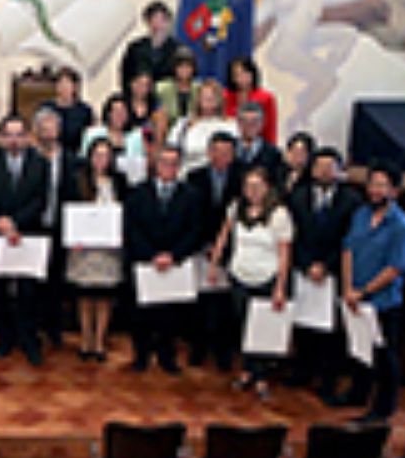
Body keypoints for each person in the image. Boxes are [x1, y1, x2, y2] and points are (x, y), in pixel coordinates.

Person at [208, 167, 294, 401]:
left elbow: (284, 253)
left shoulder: (279, 214)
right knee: (244, 325)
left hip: (266, 276)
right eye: (248, 187)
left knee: (263, 329)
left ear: (267, 187)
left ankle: (261, 375)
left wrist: (280, 287)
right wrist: (214, 264)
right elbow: (223, 236)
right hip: (240, 274)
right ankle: (247, 369)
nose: (252, 192)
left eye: (257, 186)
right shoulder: (236, 208)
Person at [341, 160, 405, 422]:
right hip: (354, 297)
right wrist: (348, 287)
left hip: (382, 301)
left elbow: (395, 268)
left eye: (382, 186)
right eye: (372, 184)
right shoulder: (360, 215)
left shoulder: (401, 225)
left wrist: (364, 291)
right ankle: (357, 393)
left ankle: (383, 408)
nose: (375, 190)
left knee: (384, 356)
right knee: (358, 349)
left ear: (394, 191)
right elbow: (348, 249)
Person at [287, 146, 361, 401]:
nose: (323, 172)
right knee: (303, 325)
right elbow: (292, 235)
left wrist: (326, 266)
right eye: (319, 166)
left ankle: (328, 378)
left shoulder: (351, 201)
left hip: (333, 273)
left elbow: (348, 240)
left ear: (340, 171)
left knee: (330, 331)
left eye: (330, 167)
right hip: (303, 269)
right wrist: (306, 263)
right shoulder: (298, 196)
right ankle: (302, 370)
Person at [0, 114, 50, 366]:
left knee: (29, 291)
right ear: (1, 138)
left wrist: (16, 223)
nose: (14, 140)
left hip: (27, 235)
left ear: (28, 137)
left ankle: (29, 339)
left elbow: (40, 200)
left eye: (20, 135)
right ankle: (5, 338)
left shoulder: (40, 163)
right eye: (9, 135)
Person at [124, 145, 200, 373]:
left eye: (174, 163)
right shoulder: (137, 193)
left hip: (175, 264)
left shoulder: (191, 195)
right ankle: (141, 355)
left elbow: (195, 230)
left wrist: (173, 255)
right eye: (164, 162)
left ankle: (167, 357)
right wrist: (151, 255)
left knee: (171, 314)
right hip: (145, 262)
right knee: (141, 314)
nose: (169, 167)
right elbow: (131, 229)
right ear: (155, 165)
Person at [67, 137, 127, 362]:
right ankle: (86, 339)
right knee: (85, 294)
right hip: (82, 248)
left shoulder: (119, 181)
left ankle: (100, 340)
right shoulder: (78, 180)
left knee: (104, 295)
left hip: (108, 248)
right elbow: (70, 210)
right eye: (97, 155)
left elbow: (126, 211)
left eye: (106, 155)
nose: (102, 160)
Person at [186, 131, 242, 368]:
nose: (221, 157)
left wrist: (222, 248)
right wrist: (206, 244)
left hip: (231, 249)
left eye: (226, 152)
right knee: (199, 302)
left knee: (224, 304)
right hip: (200, 246)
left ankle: (223, 352)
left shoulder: (241, 177)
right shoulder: (194, 177)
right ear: (209, 153)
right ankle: (197, 348)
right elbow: (190, 215)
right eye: (216, 151)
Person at [33, 107, 80, 348]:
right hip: (34, 227)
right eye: (44, 127)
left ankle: (54, 329)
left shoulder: (71, 160)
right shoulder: (30, 157)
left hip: (61, 227)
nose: (49, 132)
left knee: (56, 281)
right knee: (34, 282)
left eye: (53, 127)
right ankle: (34, 329)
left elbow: (75, 196)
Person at [166, 79, 238, 175]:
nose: (208, 99)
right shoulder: (183, 124)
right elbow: (171, 150)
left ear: (220, 99)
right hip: (188, 175)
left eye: (212, 96)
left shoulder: (231, 125)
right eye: (204, 96)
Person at [120, 0, 178, 85]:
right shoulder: (135, 48)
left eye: (162, 19)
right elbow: (126, 76)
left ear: (168, 22)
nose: (158, 25)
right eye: (154, 19)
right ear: (148, 23)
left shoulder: (178, 49)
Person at [38, 67, 93, 153]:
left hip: (76, 154)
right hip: (49, 153)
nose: (64, 87)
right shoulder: (46, 107)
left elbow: (88, 136)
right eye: (61, 84)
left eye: (67, 83)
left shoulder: (85, 110)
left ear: (75, 87)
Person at [224, 56, 277, 145]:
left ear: (253, 74)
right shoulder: (225, 96)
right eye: (237, 74)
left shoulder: (266, 98)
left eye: (245, 73)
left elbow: (270, 128)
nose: (242, 78)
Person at [79, 93, 144, 162]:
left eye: (123, 112)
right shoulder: (92, 134)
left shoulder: (136, 136)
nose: (119, 115)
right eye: (115, 111)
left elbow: (139, 162)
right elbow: (83, 161)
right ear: (108, 114)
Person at [155, 45, 201, 127]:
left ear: (193, 68)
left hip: (193, 131)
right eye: (180, 66)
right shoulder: (161, 88)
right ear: (174, 68)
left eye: (188, 66)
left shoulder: (199, 88)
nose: (184, 70)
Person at [237, 102, 283, 180]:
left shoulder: (273, 153)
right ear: (238, 123)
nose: (250, 125)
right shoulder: (229, 148)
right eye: (245, 121)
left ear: (262, 123)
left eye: (254, 122)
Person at [282, 131, 316, 196]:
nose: (296, 157)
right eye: (293, 152)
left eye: (301, 153)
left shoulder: (313, 177)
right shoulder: (278, 172)